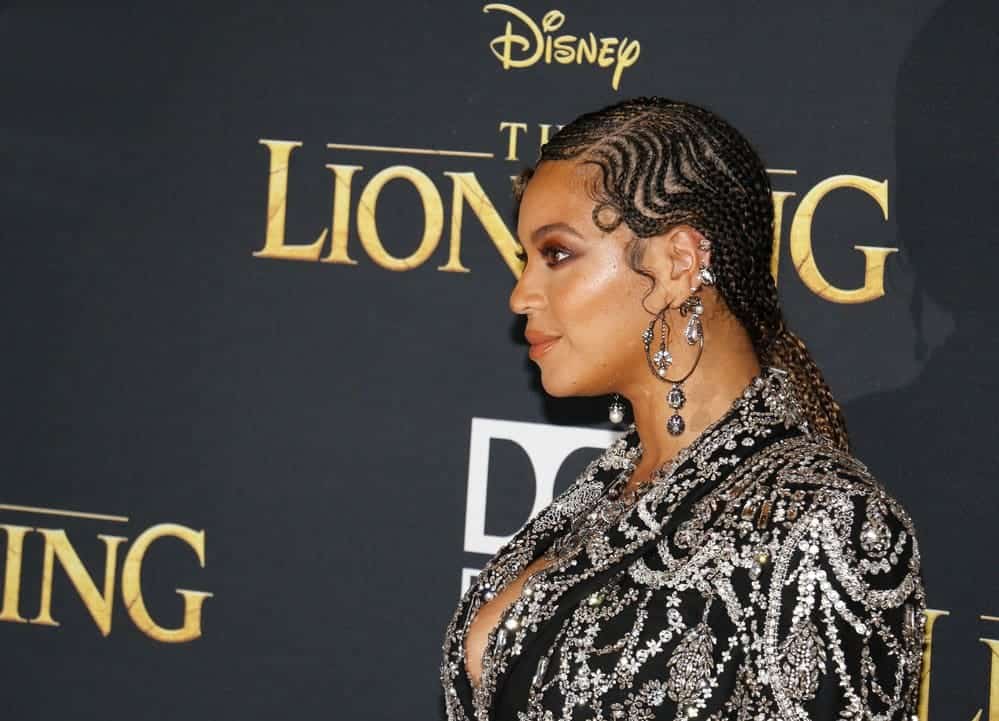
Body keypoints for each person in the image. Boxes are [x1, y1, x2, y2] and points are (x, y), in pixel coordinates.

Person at [438, 96, 926, 721]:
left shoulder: (828, 518)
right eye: (524, 260)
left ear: (678, 263)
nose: (521, 295)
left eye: (556, 253)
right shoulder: (603, 493)